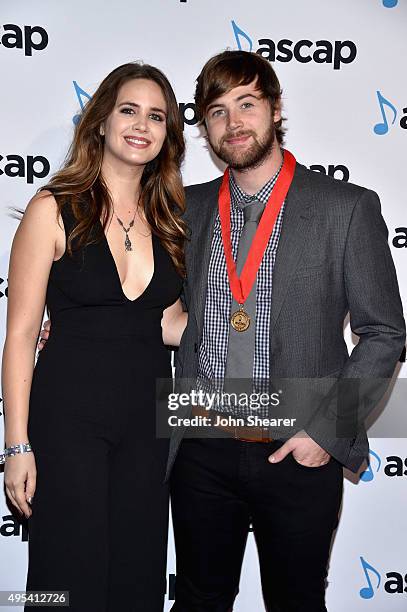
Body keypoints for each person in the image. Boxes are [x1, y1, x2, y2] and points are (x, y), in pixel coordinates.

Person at [164, 50, 406, 611]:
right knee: (199, 600)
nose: (234, 123)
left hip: (299, 446)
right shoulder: (184, 208)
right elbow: (150, 303)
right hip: (202, 445)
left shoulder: (345, 208)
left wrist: (327, 431)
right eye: (217, 111)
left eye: (247, 104)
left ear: (275, 108)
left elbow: (384, 332)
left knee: (297, 602)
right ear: (204, 127)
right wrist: (77, 324)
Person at [2, 62, 187, 612]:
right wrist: (17, 445)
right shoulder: (52, 208)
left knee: (138, 578)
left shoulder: (172, 218)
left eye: (157, 116)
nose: (141, 125)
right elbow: (19, 336)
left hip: (149, 426)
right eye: (128, 109)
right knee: (68, 577)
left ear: (167, 135)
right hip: (68, 421)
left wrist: (253, 321)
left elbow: (167, 323)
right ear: (101, 121)